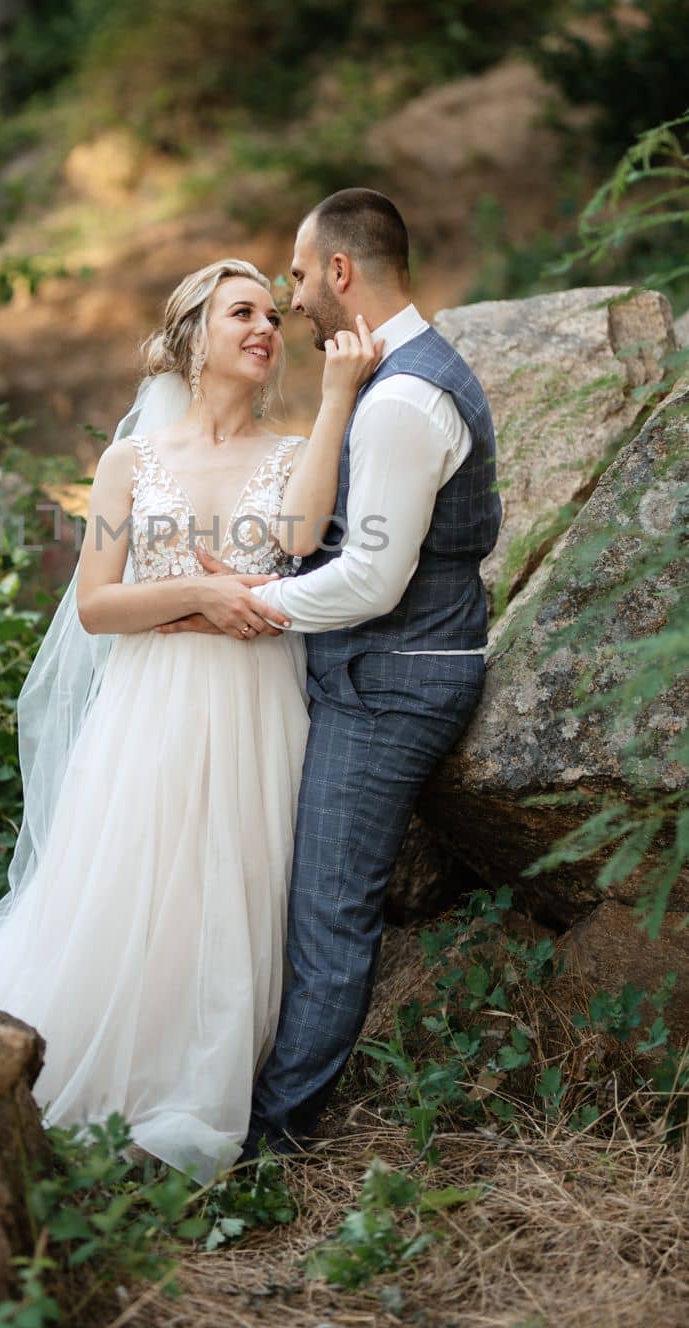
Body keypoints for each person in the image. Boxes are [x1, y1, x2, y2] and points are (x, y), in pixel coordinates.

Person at [0, 257, 382, 1180]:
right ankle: (115, 1067)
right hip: (149, 707)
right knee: (140, 881)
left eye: (272, 314)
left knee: (230, 883)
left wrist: (340, 397)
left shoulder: (291, 449)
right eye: (242, 313)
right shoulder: (129, 463)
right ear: (193, 337)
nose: (266, 327)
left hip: (256, 705)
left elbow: (303, 543)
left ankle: (191, 1081)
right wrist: (199, 588)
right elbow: (100, 606)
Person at [156, 189, 502, 1161]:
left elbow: (372, 576)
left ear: (342, 272)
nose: (294, 296)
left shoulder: (402, 399)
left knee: (329, 910)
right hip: (376, 663)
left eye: (302, 276)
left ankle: (275, 1141)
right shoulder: (389, 373)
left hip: (394, 684)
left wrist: (256, 602)